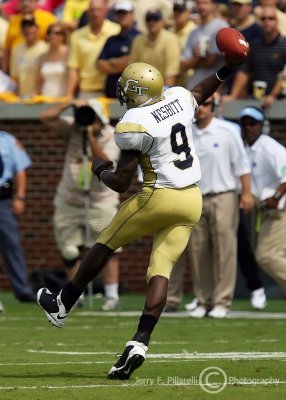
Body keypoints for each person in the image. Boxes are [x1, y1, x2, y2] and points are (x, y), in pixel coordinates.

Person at [37, 55, 247, 379]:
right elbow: (202, 91)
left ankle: (63, 304)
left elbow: (121, 182)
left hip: (158, 194)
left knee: (105, 241)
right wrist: (227, 65)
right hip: (192, 198)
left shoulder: (135, 121)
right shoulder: (178, 98)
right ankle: (140, 342)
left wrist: (100, 170)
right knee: (160, 269)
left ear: (134, 91)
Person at [167, 95, 253, 318]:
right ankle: (203, 301)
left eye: (206, 104)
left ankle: (222, 302)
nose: (201, 109)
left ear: (214, 107)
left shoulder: (228, 130)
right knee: (198, 250)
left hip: (223, 195)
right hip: (195, 196)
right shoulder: (184, 132)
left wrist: (246, 193)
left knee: (225, 249)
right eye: (199, 105)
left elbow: (242, 165)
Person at [40, 99, 121, 311]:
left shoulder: (112, 135)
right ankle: (75, 295)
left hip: (100, 200)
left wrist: (90, 136)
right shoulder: (74, 127)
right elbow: (45, 117)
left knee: (108, 247)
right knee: (68, 250)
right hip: (69, 198)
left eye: (93, 115)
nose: (88, 120)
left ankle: (112, 296)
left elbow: (105, 161)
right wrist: (70, 103)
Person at [239, 105, 286, 295]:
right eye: (245, 124)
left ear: (262, 126)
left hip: (281, 209)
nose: (248, 127)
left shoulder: (270, 147)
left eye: (253, 123)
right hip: (268, 211)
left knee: (267, 256)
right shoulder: (246, 149)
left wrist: (276, 197)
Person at [0, 128, 35, 303]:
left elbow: (20, 170)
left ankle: (23, 290)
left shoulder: (7, 140)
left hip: (3, 200)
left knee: (12, 245)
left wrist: (20, 197)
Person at [66, 0, 120, 99]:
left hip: (111, 91)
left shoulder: (116, 30)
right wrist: (69, 94)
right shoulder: (77, 36)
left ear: (105, 11)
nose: (95, 13)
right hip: (86, 92)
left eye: (98, 10)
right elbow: (74, 67)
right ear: (87, 12)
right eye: (92, 10)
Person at [96, 0, 140, 98]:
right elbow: (99, 64)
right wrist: (121, 64)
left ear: (132, 15)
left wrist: (111, 62)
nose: (122, 16)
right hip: (112, 92)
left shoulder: (139, 37)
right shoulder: (111, 39)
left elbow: (132, 63)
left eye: (125, 13)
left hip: (132, 95)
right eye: (119, 13)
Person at [129, 9, 181, 87]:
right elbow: (132, 69)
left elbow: (171, 73)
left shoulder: (171, 39)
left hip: (165, 89)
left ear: (162, 22)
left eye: (156, 19)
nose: (152, 22)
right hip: (143, 89)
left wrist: (166, 95)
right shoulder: (138, 40)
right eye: (149, 19)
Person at [10, 15, 48, 98]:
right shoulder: (16, 50)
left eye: (31, 26)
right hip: (22, 98)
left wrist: (35, 94)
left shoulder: (45, 48)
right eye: (24, 26)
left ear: (38, 29)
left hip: (41, 98)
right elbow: (15, 78)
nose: (27, 29)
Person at [34, 22, 69, 98]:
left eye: (57, 33)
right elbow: (39, 83)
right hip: (45, 98)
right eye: (49, 32)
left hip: (63, 99)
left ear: (63, 36)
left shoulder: (69, 54)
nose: (52, 35)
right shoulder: (43, 56)